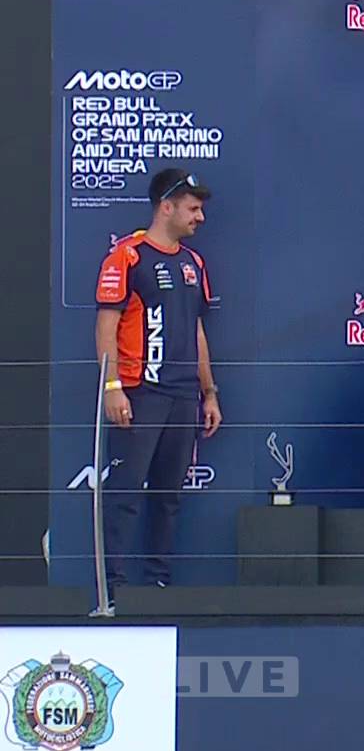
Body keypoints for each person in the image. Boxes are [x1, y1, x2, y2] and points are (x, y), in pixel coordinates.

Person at [94, 168, 222, 593]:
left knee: (169, 495)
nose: (200, 217)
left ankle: (157, 585)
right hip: (140, 391)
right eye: (193, 208)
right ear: (166, 207)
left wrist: (209, 392)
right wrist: (112, 387)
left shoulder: (193, 263)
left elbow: (197, 330)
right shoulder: (128, 256)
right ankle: (113, 589)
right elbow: (106, 326)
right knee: (125, 491)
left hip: (184, 395)